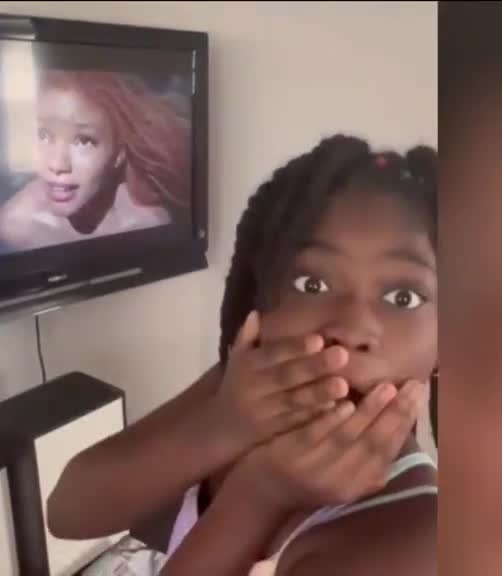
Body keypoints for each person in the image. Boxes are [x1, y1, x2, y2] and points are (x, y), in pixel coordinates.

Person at [48, 135, 438, 576]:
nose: (351, 328)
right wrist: (223, 424)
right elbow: (67, 513)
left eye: (403, 297)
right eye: (312, 285)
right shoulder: (248, 389)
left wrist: (265, 489)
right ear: (261, 299)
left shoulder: (415, 542)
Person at [0, 70, 191, 248]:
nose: (57, 164)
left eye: (83, 141)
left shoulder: (146, 225)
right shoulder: (18, 225)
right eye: (43, 135)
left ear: (119, 152)